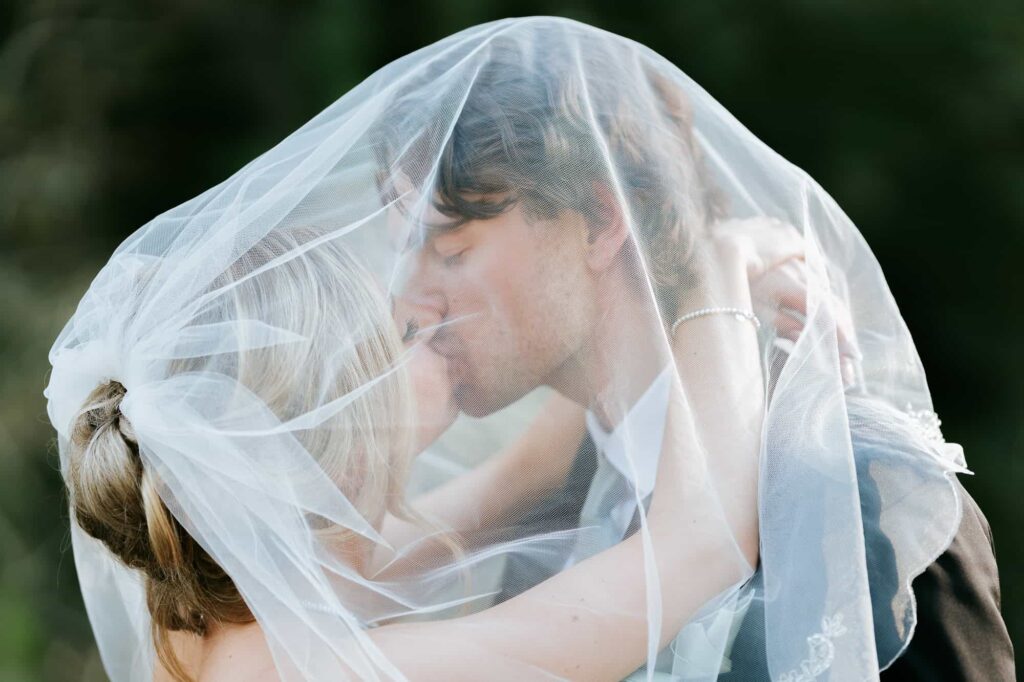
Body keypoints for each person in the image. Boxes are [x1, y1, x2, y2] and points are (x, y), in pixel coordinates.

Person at [44, 16, 1011, 682]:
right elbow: (692, 546)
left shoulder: (865, 493)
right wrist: (720, 260)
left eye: (450, 243)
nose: (408, 298)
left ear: (599, 221)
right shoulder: (488, 581)